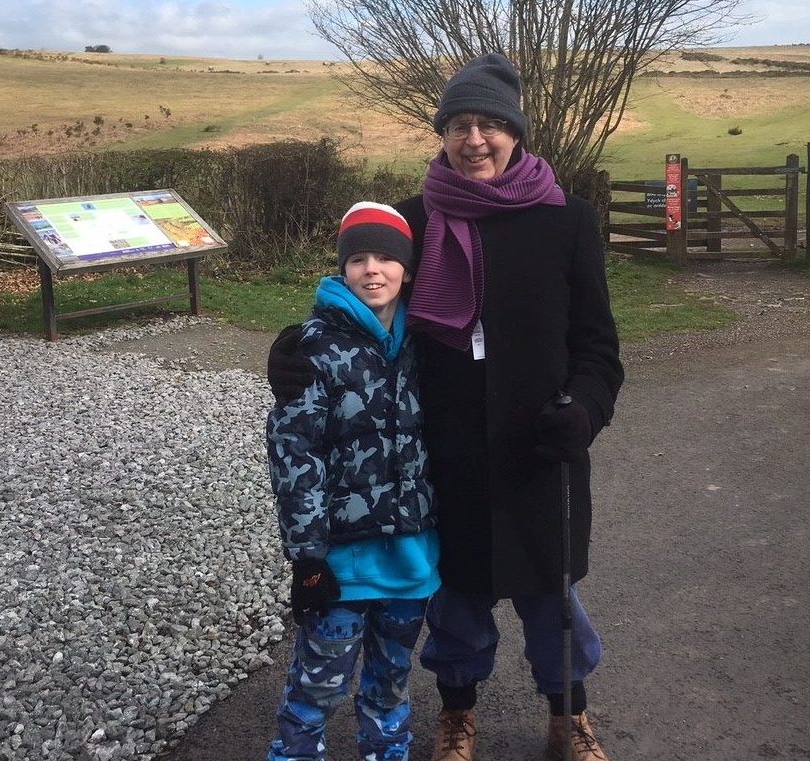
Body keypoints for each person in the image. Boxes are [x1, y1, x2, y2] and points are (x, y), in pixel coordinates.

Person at [270, 54, 623, 761]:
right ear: (443, 133)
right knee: (458, 604)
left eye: (491, 123)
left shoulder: (567, 220)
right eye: (460, 124)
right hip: (444, 455)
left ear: (516, 132)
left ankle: (568, 716)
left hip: (541, 452)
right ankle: (458, 716)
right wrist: (292, 351)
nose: (475, 139)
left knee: (552, 602)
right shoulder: (415, 220)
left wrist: (584, 410)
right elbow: (363, 304)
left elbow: (597, 346)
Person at [265, 202, 441, 761]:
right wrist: (307, 556)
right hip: (340, 564)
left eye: (387, 258)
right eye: (358, 258)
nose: (372, 270)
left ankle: (387, 753)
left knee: (390, 687)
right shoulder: (313, 350)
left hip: (411, 561)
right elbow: (295, 456)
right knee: (317, 688)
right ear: (342, 268)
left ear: (407, 269)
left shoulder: (428, 346)